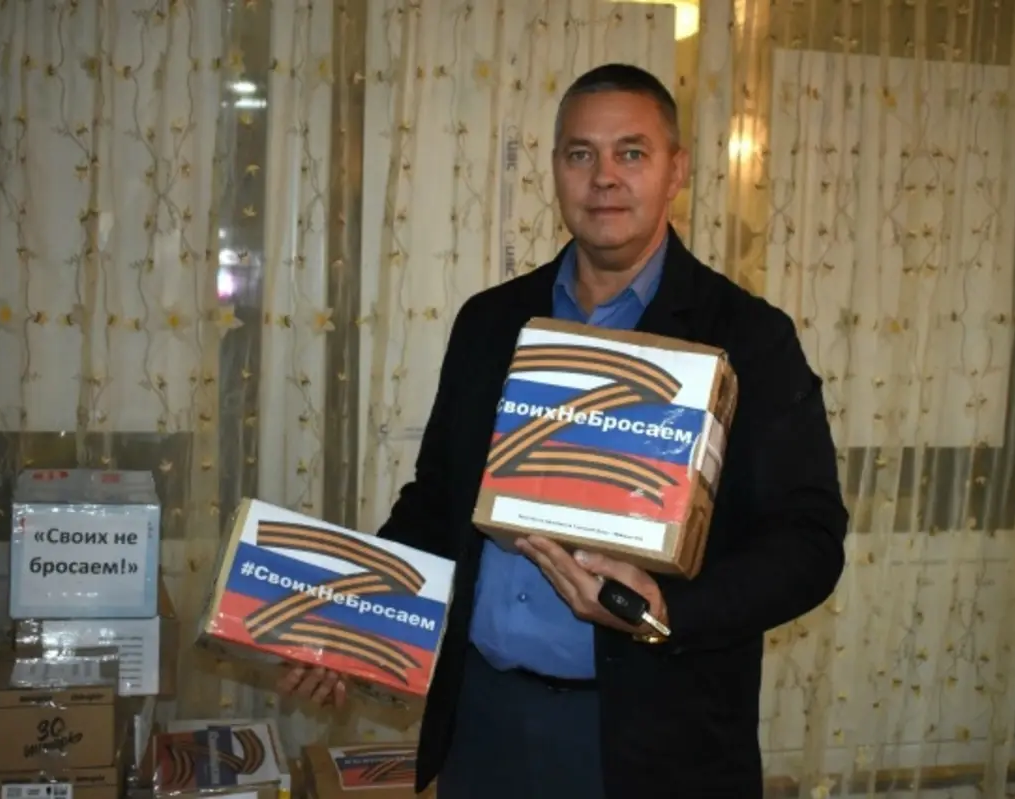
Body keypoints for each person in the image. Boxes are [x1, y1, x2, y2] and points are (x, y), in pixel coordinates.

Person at [278, 63, 849, 797]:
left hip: (651, 745)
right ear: (555, 168)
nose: (604, 177)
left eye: (631, 153)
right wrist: (357, 625)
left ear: (676, 171)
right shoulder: (491, 322)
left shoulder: (748, 337)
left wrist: (666, 608)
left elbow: (809, 543)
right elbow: (437, 502)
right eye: (581, 154)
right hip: (483, 725)